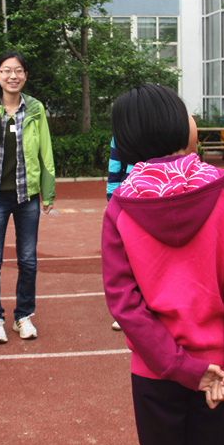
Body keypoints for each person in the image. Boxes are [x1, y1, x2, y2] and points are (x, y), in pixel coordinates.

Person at [102, 84, 224, 445]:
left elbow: (124, 304)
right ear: (180, 123)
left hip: (155, 368)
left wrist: (178, 365)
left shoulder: (120, 207)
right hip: (220, 364)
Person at [0, 51, 56, 344]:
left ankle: (23, 316)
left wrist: (48, 191)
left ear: (25, 75)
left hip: (27, 195)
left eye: (18, 71)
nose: (12, 76)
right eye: (6, 71)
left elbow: (46, 151)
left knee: (28, 259)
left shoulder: (36, 109)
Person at [106, 136, 132, 331]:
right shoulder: (122, 129)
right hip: (125, 194)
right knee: (125, 256)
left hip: (153, 191)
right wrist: (111, 196)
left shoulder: (156, 120)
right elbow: (115, 164)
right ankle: (127, 309)